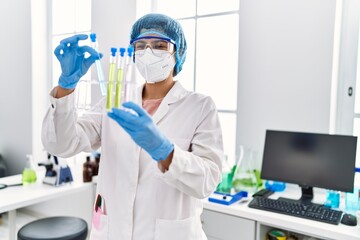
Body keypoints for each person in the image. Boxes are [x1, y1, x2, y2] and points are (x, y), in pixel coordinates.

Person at [42, 13, 223, 240]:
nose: (148, 52)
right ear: (132, 52)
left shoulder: (200, 107)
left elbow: (208, 181)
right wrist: (66, 86)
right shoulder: (114, 103)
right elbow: (62, 144)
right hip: (112, 231)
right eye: (141, 45)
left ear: (178, 52)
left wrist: (165, 151)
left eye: (159, 45)